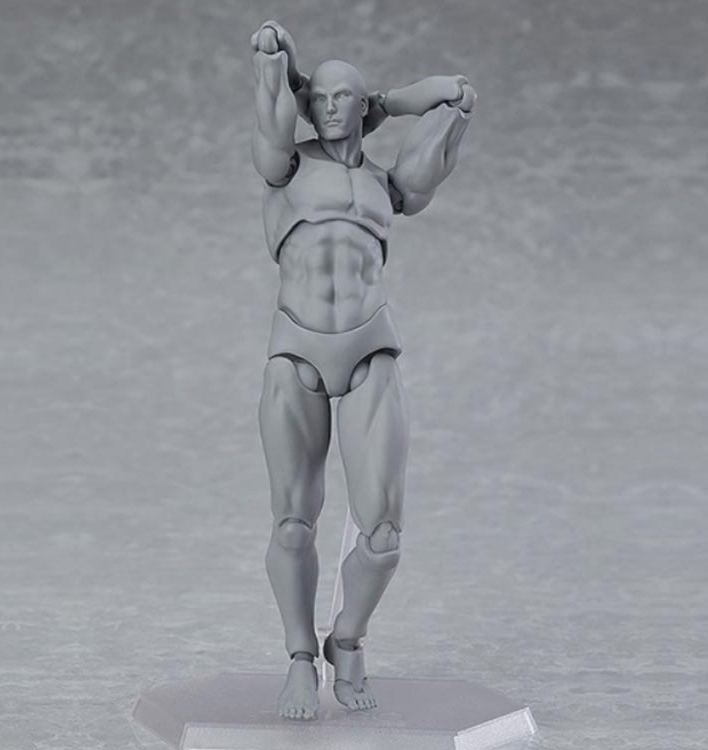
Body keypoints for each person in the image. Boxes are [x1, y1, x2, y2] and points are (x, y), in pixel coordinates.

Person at [251, 20, 476, 721]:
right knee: (293, 523)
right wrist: (279, 66)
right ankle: (299, 657)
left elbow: (453, 102)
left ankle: (346, 638)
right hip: (297, 350)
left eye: (343, 96)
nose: (329, 107)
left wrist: (389, 103)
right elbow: (271, 101)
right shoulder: (285, 167)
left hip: (371, 349)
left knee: (383, 536)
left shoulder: (387, 185)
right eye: (318, 97)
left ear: (360, 103)